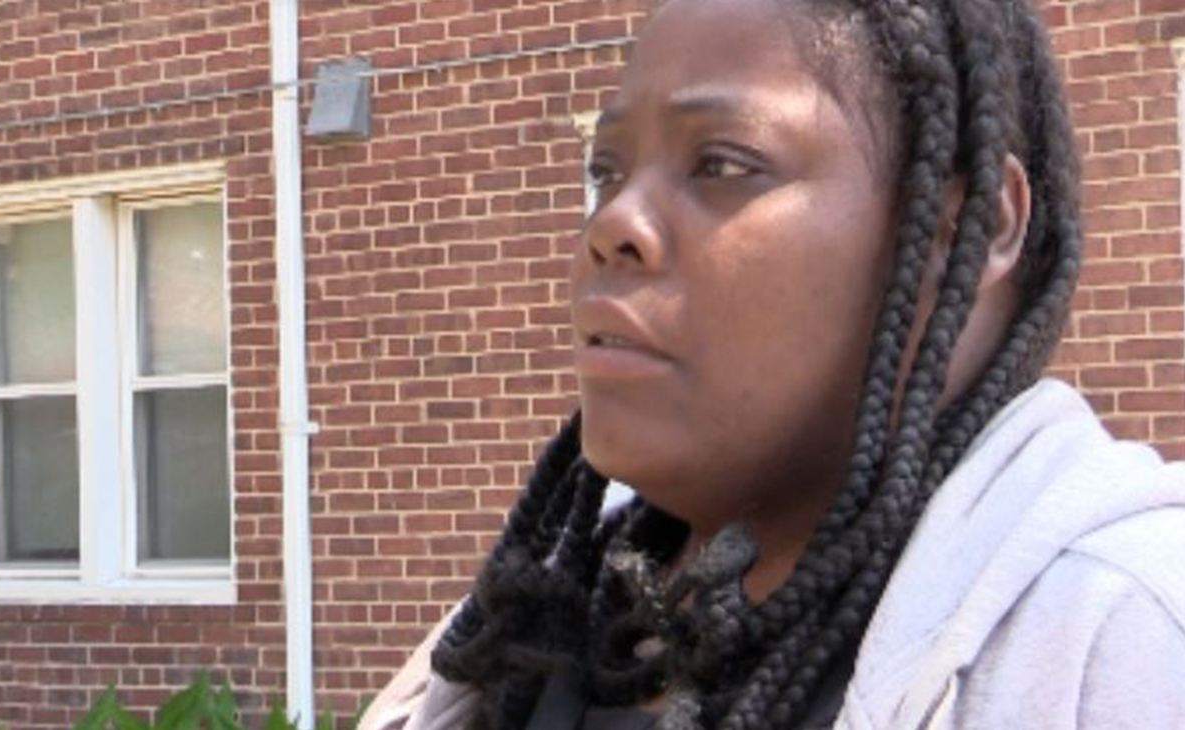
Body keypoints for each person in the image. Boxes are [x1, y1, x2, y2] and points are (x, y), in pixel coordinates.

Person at [359, 0, 1185, 728]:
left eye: (722, 164)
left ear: (969, 224)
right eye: (605, 172)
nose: (613, 223)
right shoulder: (513, 629)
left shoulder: (1123, 636)